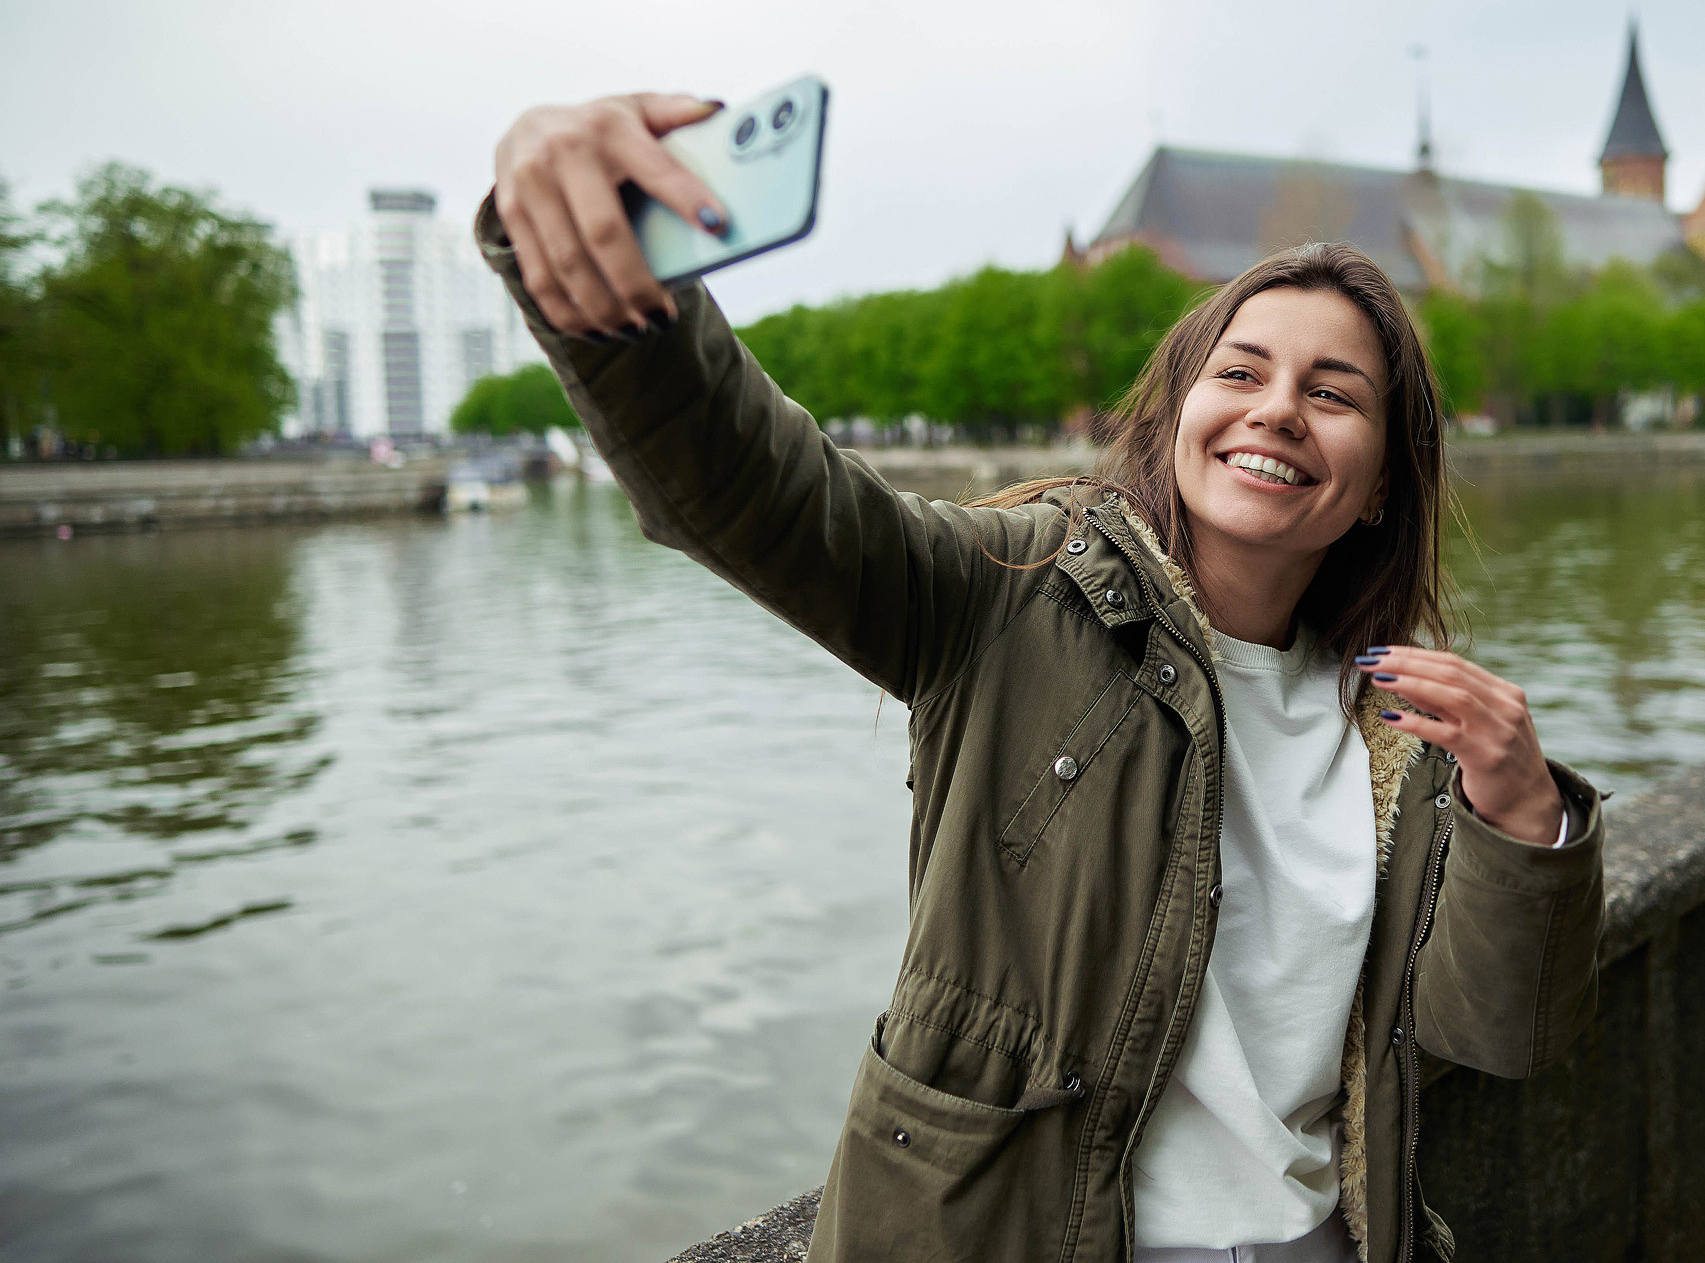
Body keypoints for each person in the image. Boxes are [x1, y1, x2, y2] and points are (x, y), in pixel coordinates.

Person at [483, 92, 1605, 1263]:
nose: (1278, 407)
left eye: (1332, 392)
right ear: (1177, 415)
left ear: (1379, 480)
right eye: (1242, 372)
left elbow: (1505, 1035)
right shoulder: (1011, 595)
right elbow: (755, 487)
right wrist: (605, 278)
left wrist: (1526, 818)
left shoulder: (1402, 726)